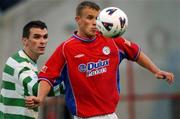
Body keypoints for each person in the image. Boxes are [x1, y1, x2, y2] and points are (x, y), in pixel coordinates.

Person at [25, 1, 174, 119]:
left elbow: (135, 52)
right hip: (84, 117)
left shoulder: (112, 40)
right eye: (89, 18)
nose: (95, 22)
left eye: (97, 18)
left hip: (111, 114)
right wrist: (40, 97)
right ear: (78, 20)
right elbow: (47, 76)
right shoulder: (66, 48)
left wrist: (156, 70)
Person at [0, 20, 64, 119]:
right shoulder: (18, 62)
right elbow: (38, 89)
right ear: (25, 40)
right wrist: (70, 84)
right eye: (37, 37)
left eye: (45, 37)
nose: (42, 41)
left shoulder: (29, 61)